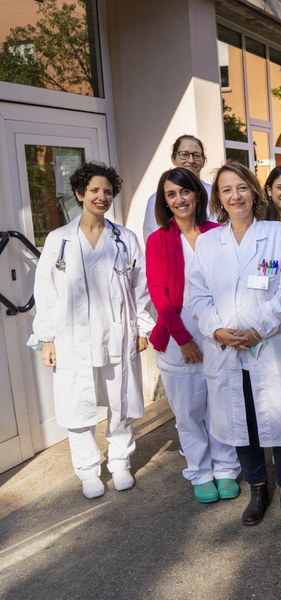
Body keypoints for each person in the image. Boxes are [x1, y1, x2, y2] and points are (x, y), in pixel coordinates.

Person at [187, 161, 281, 526]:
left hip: (269, 345)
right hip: (226, 350)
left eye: (241, 188)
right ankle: (258, 489)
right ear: (218, 198)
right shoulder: (209, 242)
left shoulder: (278, 234)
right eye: (227, 190)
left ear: (253, 191)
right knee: (240, 419)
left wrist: (258, 328)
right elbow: (197, 296)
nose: (235, 196)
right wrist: (217, 330)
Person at [29, 162, 154, 499]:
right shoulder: (59, 241)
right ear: (80, 194)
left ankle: (120, 462)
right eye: (95, 190)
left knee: (120, 402)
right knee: (78, 404)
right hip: (73, 338)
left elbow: (139, 288)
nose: (102, 197)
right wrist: (46, 339)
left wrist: (143, 327)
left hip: (117, 333)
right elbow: (46, 293)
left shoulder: (125, 239)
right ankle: (87, 470)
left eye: (108, 191)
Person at [146, 167, 240, 504]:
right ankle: (200, 472)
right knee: (188, 411)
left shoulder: (218, 233)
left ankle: (226, 467)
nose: (179, 199)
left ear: (197, 195)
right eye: (171, 194)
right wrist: (183, 339)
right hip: (177, 338)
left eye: (184, 192)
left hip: (218, 333)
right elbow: (158, 295)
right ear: (165, 201)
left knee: (222, 402)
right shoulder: (158, 240)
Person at [143, 135, 210, 240]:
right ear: (173, 159)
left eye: (196, 155)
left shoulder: (216, 193)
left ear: (203, 161)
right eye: (184, 155)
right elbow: (152, 239)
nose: (191, 160)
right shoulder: (156, 200)